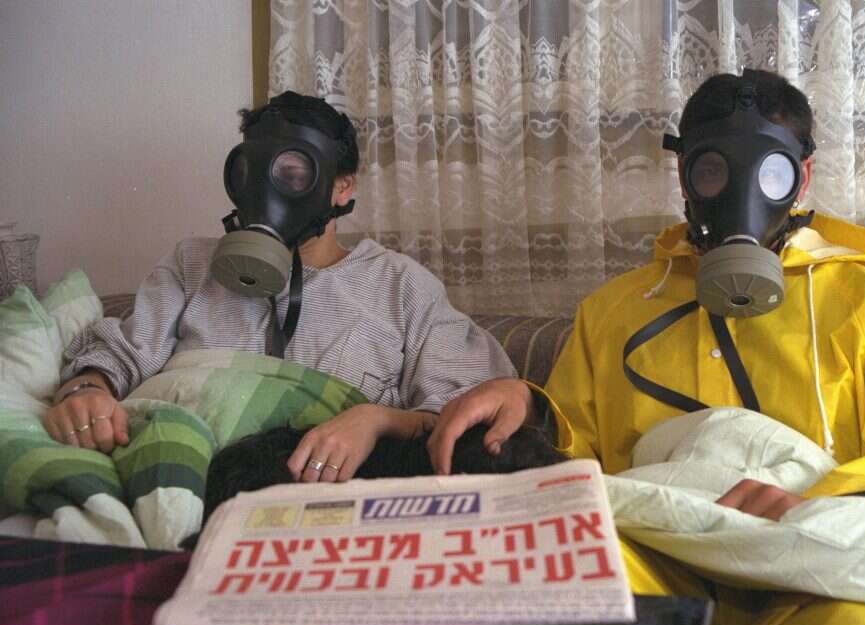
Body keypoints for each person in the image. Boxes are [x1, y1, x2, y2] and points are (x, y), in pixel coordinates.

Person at [427, 69, 865, 625]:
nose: (740, 193)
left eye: (771, 173)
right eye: (712, 170)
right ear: (683, 175)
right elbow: (574, 465)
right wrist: (530, 406)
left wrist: (819, 508)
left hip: (820, 561)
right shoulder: (613, 313)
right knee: (562, 600)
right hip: (659, 555)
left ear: (803, 176)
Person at [44, 91, 517, 484]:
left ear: (343, 187)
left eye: (293, 176)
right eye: (252, 175)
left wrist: (375, 420)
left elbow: (458, 414)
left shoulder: (401, 286)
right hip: (182, 479)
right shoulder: (191, 264)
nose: (267, 195)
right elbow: (122, 356)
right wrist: (86, 392)